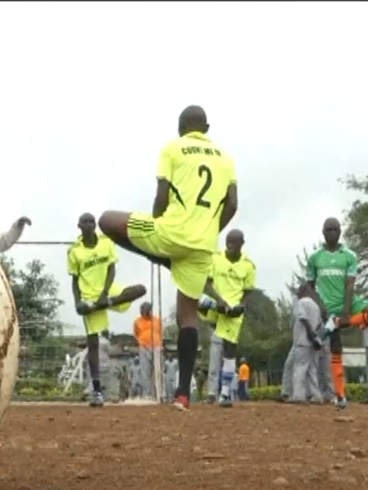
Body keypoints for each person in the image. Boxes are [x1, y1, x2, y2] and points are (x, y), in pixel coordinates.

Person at [97, 105, 238, 411]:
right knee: (188, 317)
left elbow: (161, 197)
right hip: (203, 244)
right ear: (207, 128)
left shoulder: (172, 148)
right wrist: (209, 231)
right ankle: (183, 395)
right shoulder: (226, 158)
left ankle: (163, 259)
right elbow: (232, 205)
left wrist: (157, 232)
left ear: (180, 128)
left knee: (106, 220)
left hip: (169, 233)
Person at [307, 218, 368, 409]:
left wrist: (345, 313)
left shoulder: (350, 255)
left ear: (340, 231)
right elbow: (310, 287)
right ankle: (341, 395)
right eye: (329, 229)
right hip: (327, 307)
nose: (332, 233)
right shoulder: (315, 257)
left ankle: (334, 323)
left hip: (349, 303)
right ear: (323, 232)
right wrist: (321, 307)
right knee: (336, 351)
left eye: (336, 229)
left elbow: (350, 283)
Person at [67, 213, 146, 407]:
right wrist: (78, 302)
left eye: (91, 221)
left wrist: (105, 295)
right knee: (92, 343)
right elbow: (75, 281)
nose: (88, 224)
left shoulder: (106, 243)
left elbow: (112, 269)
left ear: (95, 225)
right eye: (84, 221)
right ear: (79, 226)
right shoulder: (74, 251)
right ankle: (96, 390)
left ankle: (109, 303)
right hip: (89, 297)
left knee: (140, 289)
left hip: (107, 291)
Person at [199, 229, 256, 407]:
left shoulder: (248, 265)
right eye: (228, 242)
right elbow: (206, 283)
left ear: (242, 243)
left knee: (230, 350)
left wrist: (242, 306)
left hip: (233, 312)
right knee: (215, 346)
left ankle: (224, 393)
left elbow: (248, 291)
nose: (230, 246)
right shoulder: (215, 258)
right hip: (216, 306)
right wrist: (219, 301)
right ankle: (211, 392)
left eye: (234, 242)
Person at [288, 283, 325, 404]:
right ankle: (316, 395)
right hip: (314, 342)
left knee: (299, 368)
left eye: (298, 291)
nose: (297, 294)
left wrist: (310, 334)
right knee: (312, 369)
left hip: (303, 340)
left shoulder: (301, 303)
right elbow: (320, 324)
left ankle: (298, 395)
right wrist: (316, 338)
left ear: (303, 291)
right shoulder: (316, 306)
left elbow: (303, 318)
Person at [133, 302, 162, 401]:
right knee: (145, 371)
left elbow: (161, 332)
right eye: (141, 310)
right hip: (143, 347)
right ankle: (147, 394)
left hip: (156, 346)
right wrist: (141, 341)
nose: (142, 313)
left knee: (157, 370)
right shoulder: (137, 321)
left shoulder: (157, 320)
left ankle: (159, 393)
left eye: (144, 310)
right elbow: (136, 334)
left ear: (149, 310)